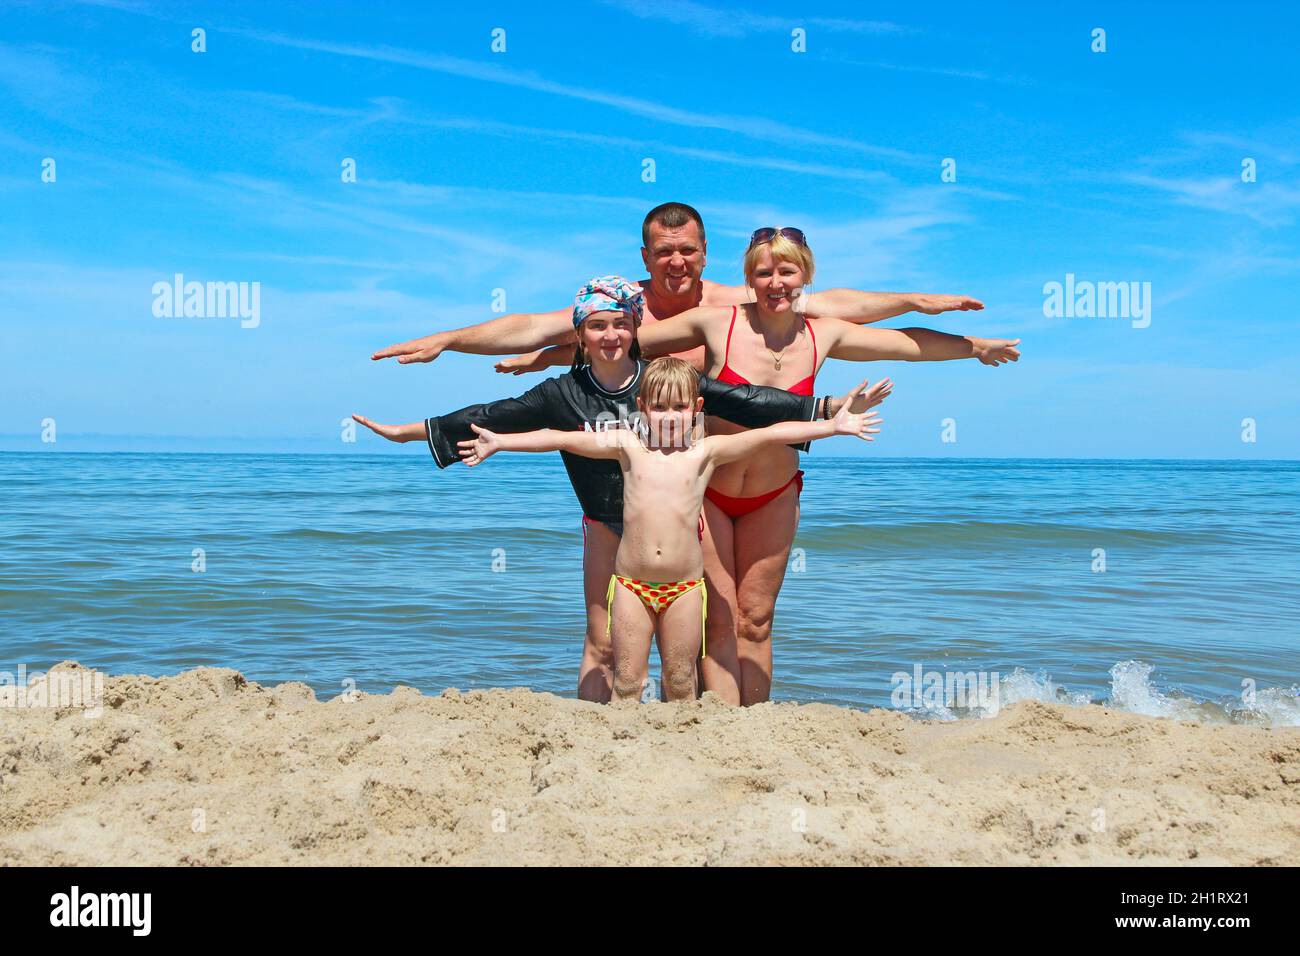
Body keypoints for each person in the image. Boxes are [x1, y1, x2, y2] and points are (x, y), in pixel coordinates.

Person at [352, 276, 889, 702]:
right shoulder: (562, 391)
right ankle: (595, 730)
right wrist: (413, 432)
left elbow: (749, 404)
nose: (610, 337)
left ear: (635, 329)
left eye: (620, 326)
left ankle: (697, 725)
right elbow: (505, 419)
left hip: (673, 530)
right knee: (603, 640)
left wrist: (825, 412)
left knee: (688, 649)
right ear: (580, 336)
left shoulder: (666, 381)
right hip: (603, 522)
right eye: (596, 327)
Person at [620, 226, 1022, 706]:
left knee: (756, 617)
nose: (775, 282)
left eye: (786, 271)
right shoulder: (716, 323)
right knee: (720, 618)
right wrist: (546, 358)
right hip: (709, 494)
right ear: (750, 278)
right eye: (763, 272)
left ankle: (757, 721)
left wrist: (974, 347)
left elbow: (905, 343)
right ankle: (720, 724)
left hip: (775, 493)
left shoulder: (821, 333)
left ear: (804, 275)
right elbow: (623, 341)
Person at [457, 357, 886, 702]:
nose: (668, 416)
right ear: (642, 407)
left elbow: (770, 435)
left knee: (681, 682)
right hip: (629, 585)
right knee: (628, 682)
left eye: (679, 407)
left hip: (684, 588)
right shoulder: (628, 446)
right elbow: (560, 437)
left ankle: (678, 759)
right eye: (658, 406)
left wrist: (832, 425)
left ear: (695, 409)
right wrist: (501, 441)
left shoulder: (706, 452)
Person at [370, 202, 984, 374]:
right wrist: (447, 339)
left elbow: (832, 306)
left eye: (688, 250)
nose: (677, 262)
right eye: (664, 253)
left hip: (711, 454)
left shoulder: (732, 303)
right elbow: (533, 322)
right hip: (641, 452)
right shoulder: (622, 305)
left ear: (705, 252)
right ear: (645, 256)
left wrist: (916, 301)